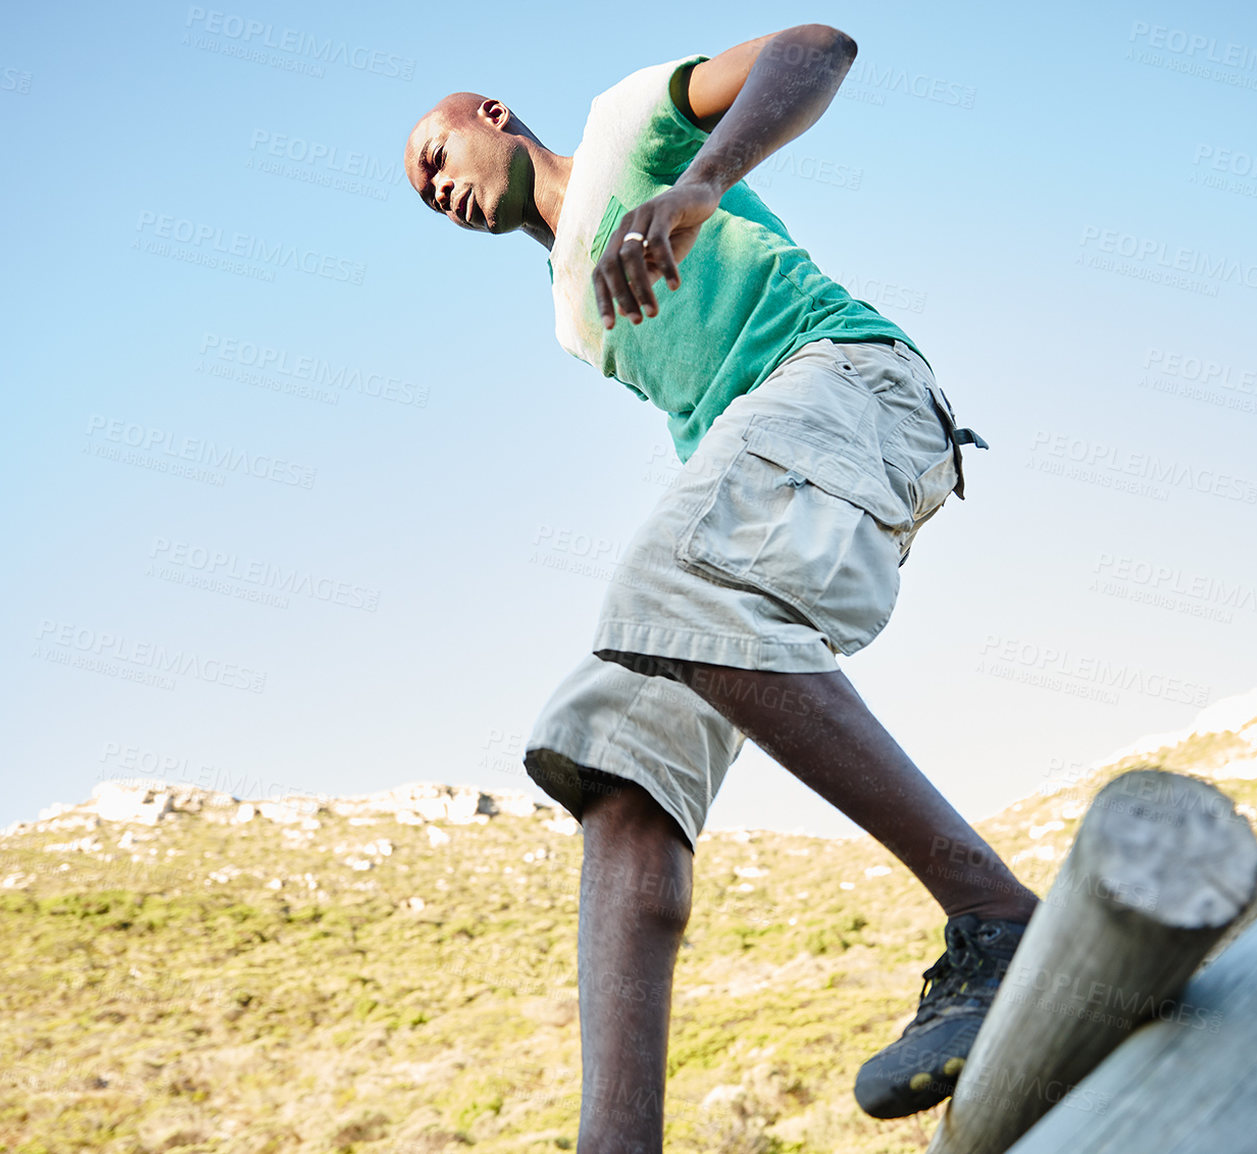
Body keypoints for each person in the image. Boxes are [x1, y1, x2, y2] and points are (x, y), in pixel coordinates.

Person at [403, 23, 1042, 1149]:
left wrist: (698, 182)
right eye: (421, 194)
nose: (433, 190)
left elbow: (818, 45)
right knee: (611, 755)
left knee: (670, 593)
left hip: (849, 382)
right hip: (772, 459)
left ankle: (996, 915)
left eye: (434, 157)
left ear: (492, 116)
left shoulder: (620, 126)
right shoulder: (568, 312)